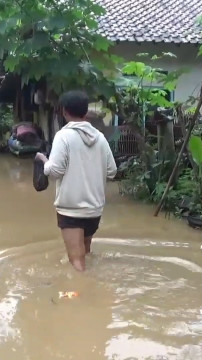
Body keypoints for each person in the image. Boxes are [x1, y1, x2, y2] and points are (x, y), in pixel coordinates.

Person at [35, 90, 117, 272]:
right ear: (85, 111)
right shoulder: (101, 138)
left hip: (71, 211)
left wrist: (44, 161)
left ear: (64, 111)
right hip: (94, 210)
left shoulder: (63, 136)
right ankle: (92, 290)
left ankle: (82, 296)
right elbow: (112, 171)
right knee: (86, 253)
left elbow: (55, 171)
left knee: (76, 261)